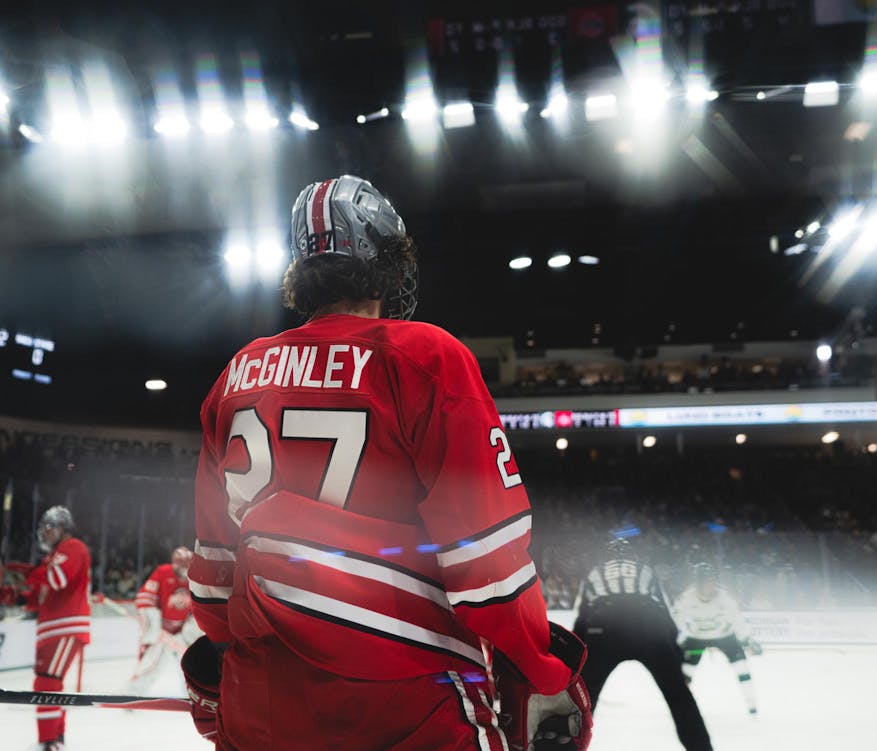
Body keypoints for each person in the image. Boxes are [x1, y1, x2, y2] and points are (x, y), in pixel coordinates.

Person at [184, 175, 592, 751]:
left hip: (262, 703)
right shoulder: (426, 356)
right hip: (406, 696)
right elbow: (488, 568)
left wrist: (238, 663)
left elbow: (213, 579)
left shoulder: (238, 374)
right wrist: (542, 668)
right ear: (387, 261)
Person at [572, 538, 713, 751]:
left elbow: (582, 617)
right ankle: (701, 748)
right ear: (632, 557)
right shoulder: (645, 570)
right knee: (679, 696)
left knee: (583, 699)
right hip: (648, 626)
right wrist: (676, 658)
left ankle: (569, 747)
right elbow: (665, 612)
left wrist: (577, 665)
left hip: (604, 625)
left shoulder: (595, 572)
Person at [0, 506, 91, 751]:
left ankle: (49, 741)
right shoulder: (51, 559)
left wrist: (28, 572)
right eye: (44, 528)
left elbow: (57, 579)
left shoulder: (73, 547)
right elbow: (38, 597)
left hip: (65, 627)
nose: (45, 532)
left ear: (64, 528)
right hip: (51, 629)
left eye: (50, 527)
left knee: (47, 683)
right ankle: (54, 739)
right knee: (48, 684)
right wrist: (10, 595)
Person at [674, 563, 761, 716]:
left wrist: (748, 638)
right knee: (686, 673)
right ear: (699, 583)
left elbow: (737, 619)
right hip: (697, 639)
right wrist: (676, 639)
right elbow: (676, 619)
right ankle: (681, 706)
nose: (711, 585)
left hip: (725, 637)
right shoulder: (686, 598)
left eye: (713, 581)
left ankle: (752, 706)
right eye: (707, 581)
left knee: (742, 668)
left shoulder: (724, 597)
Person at [125, 546, 202, 696]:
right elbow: (145, 598)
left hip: (183, 632)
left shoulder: (196, 578)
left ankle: (192, 697)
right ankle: (131, 696)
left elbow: (200, 606)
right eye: (182, 568)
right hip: (161, 631)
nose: (185, 573)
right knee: (151, 665)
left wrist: (190, 630)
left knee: (190, 667)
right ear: (175, 565)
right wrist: (154, 628)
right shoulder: (162, 572)